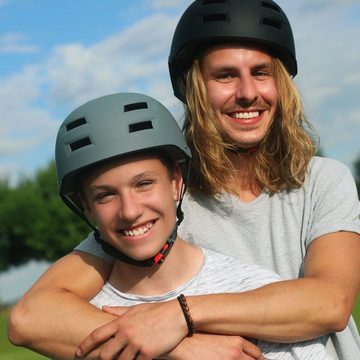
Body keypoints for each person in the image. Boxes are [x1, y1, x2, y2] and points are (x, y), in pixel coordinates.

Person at [8, 0, 360, 359]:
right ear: (193, 89)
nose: (247, 93)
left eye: (261, 72)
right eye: (224, 75)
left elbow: (330, 303)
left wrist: (181, 316)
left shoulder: (323, 181)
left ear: (281, 84)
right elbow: (32, 317)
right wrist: (179, 349)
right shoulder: (160, 203)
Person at [51, 91, 332, 359]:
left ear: (176, 182)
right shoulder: (81, 324)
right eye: (106, 195)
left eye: (144, 184)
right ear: (86, 206)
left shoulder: (255, 295)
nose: (130, 211)